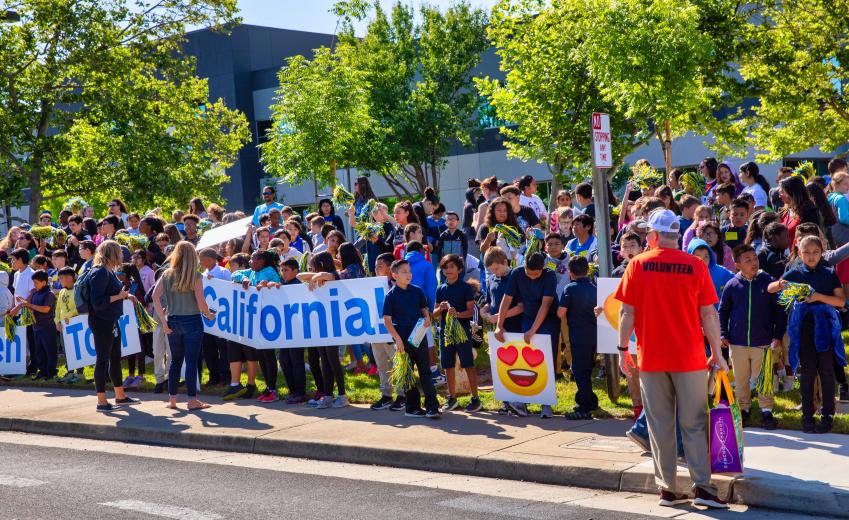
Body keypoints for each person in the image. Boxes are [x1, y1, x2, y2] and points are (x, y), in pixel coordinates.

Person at [616, 209, 729, 509]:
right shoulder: (695, 265)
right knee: (693, 423)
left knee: (660, 424)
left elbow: (627, 312)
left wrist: (621, 349)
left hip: (651, 357)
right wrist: (717, 354)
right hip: (690, 356)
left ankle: (667, 489)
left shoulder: (638, 264)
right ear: (676, 236)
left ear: (653, 236)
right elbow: (708, 314)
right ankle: (702, 487)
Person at [771, 235, 845, 433]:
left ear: (822, 253)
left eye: (815, 252)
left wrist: (818, 297)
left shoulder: (829, 273)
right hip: (803, 327)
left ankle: (828, 414)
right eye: (807, 253)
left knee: (827, 371)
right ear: (799, 252)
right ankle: (807, 415)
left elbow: (841, 301)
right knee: (808, 371)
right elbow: (771, 288)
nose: (811, 257)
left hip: (826, 327)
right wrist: (780, 285)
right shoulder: (795, 272)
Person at [719, 245, 785, 430]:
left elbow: (779, 311)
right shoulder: (733, 285)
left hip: (762, 341)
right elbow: (723, 311)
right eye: (747, 260)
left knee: (764, 378)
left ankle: (766, 410)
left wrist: (777, 335)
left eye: (755, 258)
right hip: (738, 342)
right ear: (738, 264)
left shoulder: (767, 282)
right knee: (741, 379)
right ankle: (744, 409)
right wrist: (723, 333)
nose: (753, 262)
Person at [495, 252, 560, 419]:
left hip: (548, 320)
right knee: (524, 358)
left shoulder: (550, 275)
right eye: (528, 273)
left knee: (547, 359)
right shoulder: (517, 273)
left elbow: (546, 305)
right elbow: (507, 299)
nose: (531, 278)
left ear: (543, 268)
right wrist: (499, 325)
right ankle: (522, 401)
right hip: (528, 318)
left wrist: (533, 330)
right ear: (523, 266)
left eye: (536, 274)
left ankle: (546, 404)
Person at [152, 242, 216, 410]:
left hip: (173, 320)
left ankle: (172, 400)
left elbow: (154, 296)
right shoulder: (195, 275)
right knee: (192, 361)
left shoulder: (167, 274)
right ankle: (192, 400)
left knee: (175, 362)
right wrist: (209, 315)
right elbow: (202, 303)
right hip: (192, 321)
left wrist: (164, 321)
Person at [382, 258, 440, 419]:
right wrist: (398, 340)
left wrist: (427, 317)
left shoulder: (417, 291)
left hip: (419, 336)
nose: (408, 274)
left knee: (425, 371)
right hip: (402, 338)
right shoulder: (391, 296)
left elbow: (424, 308)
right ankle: (412, 407)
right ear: (394, 275)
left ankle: (432, 407)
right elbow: (387, 320)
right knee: (407, 374)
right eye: (404, 272)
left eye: (409, 271)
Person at [87, 241, 139, 411]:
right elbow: (97, 302)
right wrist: (119, 297)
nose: (122, 256)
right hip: (102, 321)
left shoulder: (108, 271)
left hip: (111, 320)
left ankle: (120, 396)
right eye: (119, 252)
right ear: (112, 254)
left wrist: (126, 296)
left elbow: (111, 294)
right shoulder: (100, 272)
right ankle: (101, 401)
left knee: (115, 358)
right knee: (102, 360)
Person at [228, 250, 281, 403]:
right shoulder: (250, 272)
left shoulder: (270, 272)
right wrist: (243, 277)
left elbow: (277, 284)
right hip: (255, 319)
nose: (250, 260)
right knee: (262, 356)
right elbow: (234, 275)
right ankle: (268, 386)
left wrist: (267, 285)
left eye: (253, 258)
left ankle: (273, 388)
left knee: (269, 356)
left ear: (262, 262)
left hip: (269, 318)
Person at [298, 252, 349, 409]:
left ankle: (342, 395)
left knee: (333, 361)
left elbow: (327, 275)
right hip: (321, 325)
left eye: (313, 266)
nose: (311, 269)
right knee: (324, 361)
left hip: (333, 324)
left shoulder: (334, 276)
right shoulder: (319, 276)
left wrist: (316, 277)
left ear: (320, 265)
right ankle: (327, 395)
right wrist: (315, 276)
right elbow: (300, 276)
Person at [480, 247, 524, 415]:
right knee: (500, 365)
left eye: (497, 269)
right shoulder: (492, 279)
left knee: (517, 365)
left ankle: (519, 401)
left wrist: (499, 317)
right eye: (491, 271)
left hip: (514, 327)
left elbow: (521, 307)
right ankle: (506, 401)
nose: (495, 273)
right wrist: (484, 311)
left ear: (505, 262)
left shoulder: (516, 278)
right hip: (497, 330)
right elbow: (489, 301)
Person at [433, 254, 479, 413]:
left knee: (467, 364)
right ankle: (452, 398)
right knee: (447, 365)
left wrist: (456, 314)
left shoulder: (466, 288)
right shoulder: (440, 288)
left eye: (451, 267)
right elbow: (435, 314)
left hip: (463, 332)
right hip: (446, 333)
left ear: (459, 269)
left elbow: (470, 311)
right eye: (445, 267)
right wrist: (441, 309)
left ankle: (475, 399)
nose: (448, 270)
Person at [557, 255, 598, 420]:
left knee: (580, 371)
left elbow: (561, 312)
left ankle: (584, 406)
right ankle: (592, 400)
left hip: (578, 336)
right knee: (587, 370)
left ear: (569, 273)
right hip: (594, 336)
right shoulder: (595, 288)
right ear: (588, 271)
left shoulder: (569, 289)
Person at [369, 253, 406, 411]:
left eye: (380, 266)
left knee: (398, 363)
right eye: (375, 266)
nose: (376, 269)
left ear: (390, 269)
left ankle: (403, 395)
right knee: (382, 364)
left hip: (392, 333)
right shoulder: (369, 286)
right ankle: (386, 395)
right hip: (376, 332)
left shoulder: (396, 286)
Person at [12, 270, 56, 380]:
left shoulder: (49, 294)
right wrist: (23, 302)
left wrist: (29, 304)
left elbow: (46, 309)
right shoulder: (36, 293)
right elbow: (29, 305)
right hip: (36, 327)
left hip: (47, 326)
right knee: (39, 351)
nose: (34, 285)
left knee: (49, 351)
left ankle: (51, 372)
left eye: (36, 283)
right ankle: (42, 371)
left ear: (44, 282)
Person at [199, 248, 231, 387]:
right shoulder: (202, 275)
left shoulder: (223, 272)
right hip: (206, 316)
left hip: (221, 315)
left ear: (210, 259)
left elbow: (229, 290)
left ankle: (225, 376)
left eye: (202, 258)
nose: (200, 261)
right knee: (209, 348)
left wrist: (216, 281)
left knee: (222, 348)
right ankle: (213, 376)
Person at [54, 267, 83, 383]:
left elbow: (79, 307)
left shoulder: (77, 290)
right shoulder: (62, 292)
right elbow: (58, 308)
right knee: (67, 349)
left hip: (75, 324)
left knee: (78, 348)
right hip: (63, 326)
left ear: (70, 278)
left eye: (61, 278)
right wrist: (57, 321)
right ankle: (70, 371)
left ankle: (80, 372)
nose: (60, 281)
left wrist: (70, 315)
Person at [779, 175, 819, 245]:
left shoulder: (808, 212)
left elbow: (811, 239)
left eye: (782, 192)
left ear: (792, 193)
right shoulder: (784, 211)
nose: (780, 196)